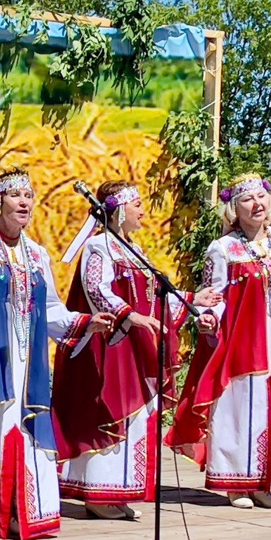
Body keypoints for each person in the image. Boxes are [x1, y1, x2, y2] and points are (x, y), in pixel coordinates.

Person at [0, 169, 115, 540]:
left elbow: (51, 310)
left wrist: (85, 322)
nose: (25, 202)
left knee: (23, 430)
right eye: (16, 195)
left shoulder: (37, 254)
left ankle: (19, 512)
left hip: (27, 363)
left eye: (29, 196)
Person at [51, 180, 220, 520]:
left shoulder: (134, 250)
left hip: (136, 346)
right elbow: (97, 290)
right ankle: (97, 494)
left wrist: (190, 300)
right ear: (117, 210)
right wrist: (133, 317)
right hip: (109, 344)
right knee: (108, 413)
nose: (143, 210)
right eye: (137, 204)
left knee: (136, 419)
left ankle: (120, 490)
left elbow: (152, 294)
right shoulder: (98, 247)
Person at [167, 173, 271, 509]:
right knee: (238, 409)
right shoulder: (222, 248)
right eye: (248, 199)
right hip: (241, 342)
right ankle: (235, 483)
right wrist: (208, 320)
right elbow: (215, 297)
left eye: (261, 197)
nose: (257, 204)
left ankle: (263, 482)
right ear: (234, 208)